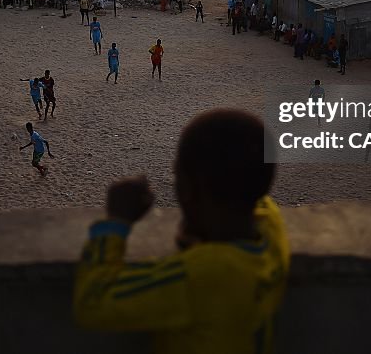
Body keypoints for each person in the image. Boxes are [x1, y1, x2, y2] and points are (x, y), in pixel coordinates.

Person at [74, 109, 288, 353]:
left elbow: (93, 303)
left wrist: (116, 222)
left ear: (186, 189)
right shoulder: (271, 230)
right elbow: (248, 189)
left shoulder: (206, 272)